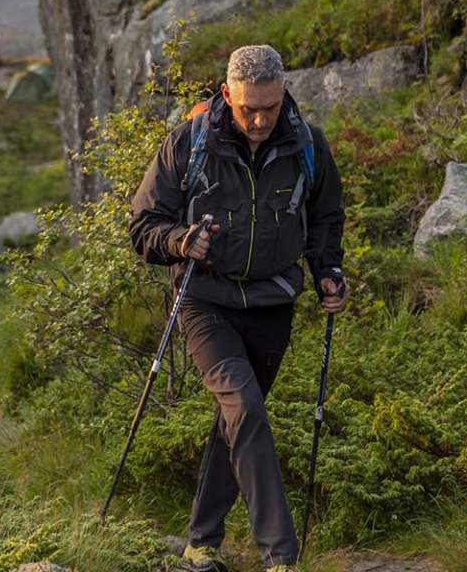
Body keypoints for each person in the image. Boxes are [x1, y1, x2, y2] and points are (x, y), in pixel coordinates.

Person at [129, 44, 347, 572]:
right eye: (249, 108)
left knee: (236, 421)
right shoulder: (189, 143)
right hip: (206, 302)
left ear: (283, 93)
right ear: (227, 94)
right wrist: (180, 240)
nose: (259, 120)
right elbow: (143, 227)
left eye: (269, 107)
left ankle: (201, 544)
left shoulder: (307, 145)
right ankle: (281, 557)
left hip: (273, 303)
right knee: (245, 408)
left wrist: (327, 271)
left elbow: (325, 217)